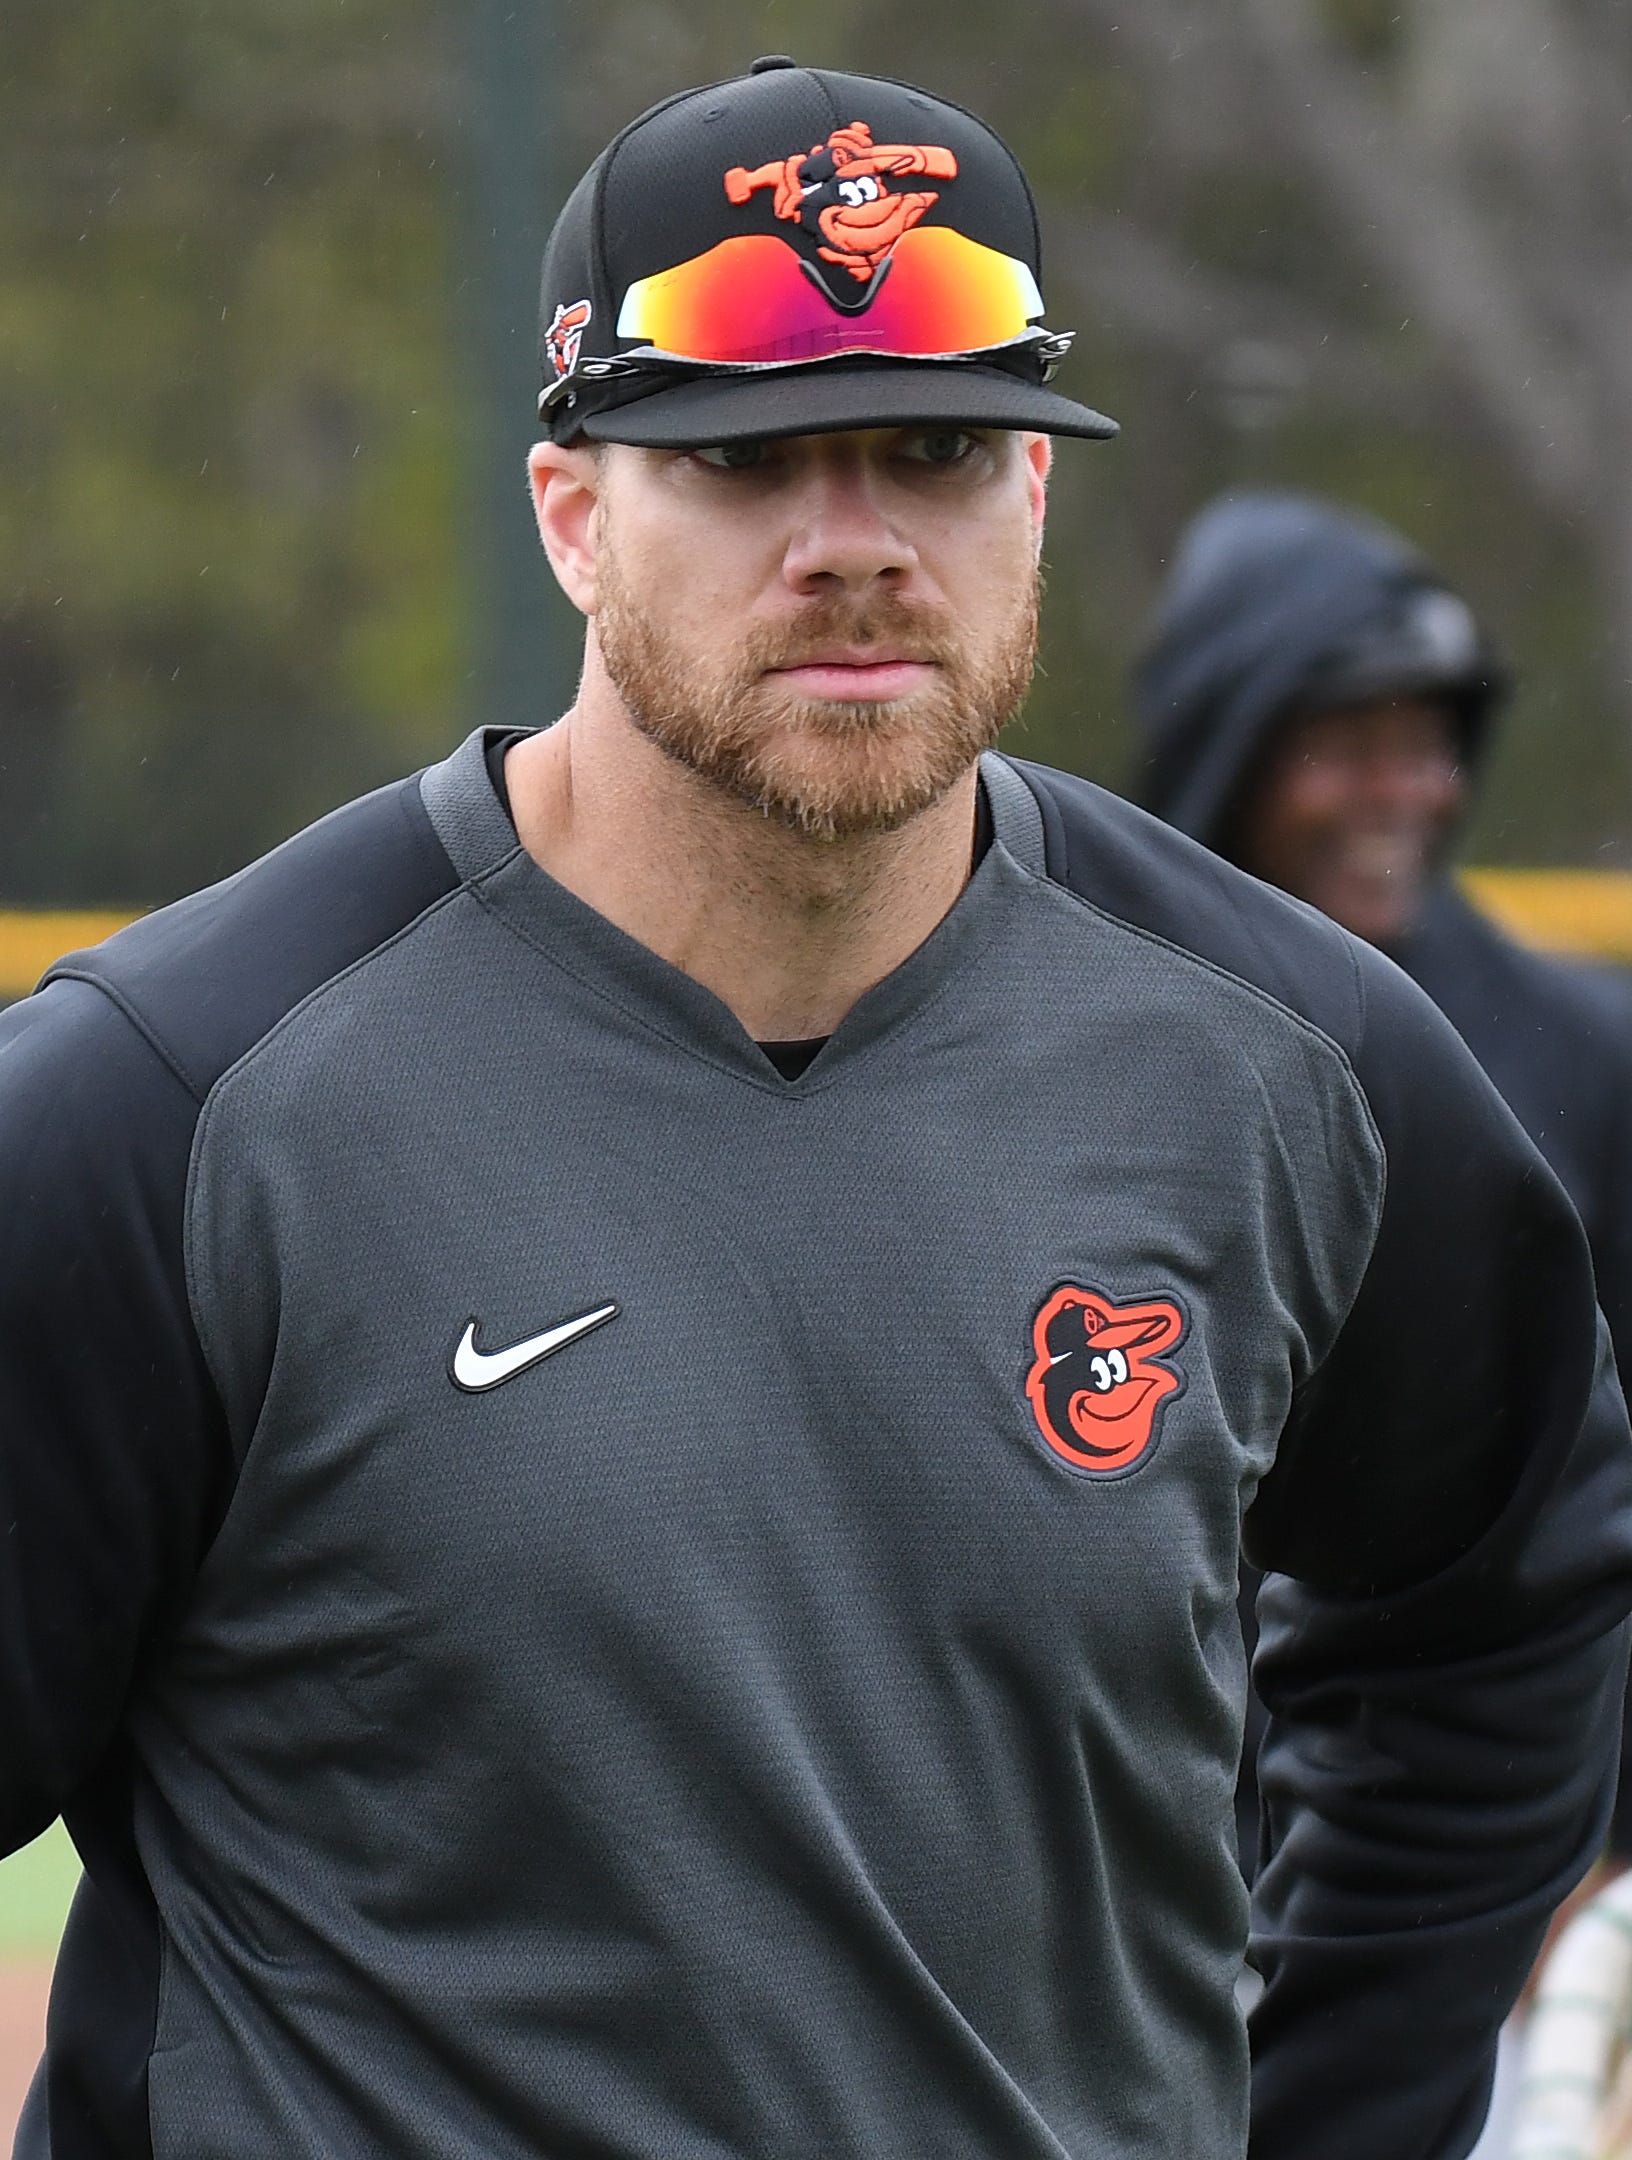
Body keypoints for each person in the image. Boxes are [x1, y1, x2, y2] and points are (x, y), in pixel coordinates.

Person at [1, 61, 1629, 2160]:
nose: (852, 546)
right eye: (746, 460)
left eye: (939, 449)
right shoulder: (178, 1109)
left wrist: (1327, 2112)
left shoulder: (1293, 1060)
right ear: (573, 513)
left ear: (1030, 497)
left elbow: (1507, 1598)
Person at [1132, 487, 1632, 1879]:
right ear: (1229, 752)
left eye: (1428, 747)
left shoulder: (1581, 1055)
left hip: (1473, 1869)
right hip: (1131, 1869)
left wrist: (1586, 1860)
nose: (1402, 792)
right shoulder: (1065, 1024)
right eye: (1348, 746)